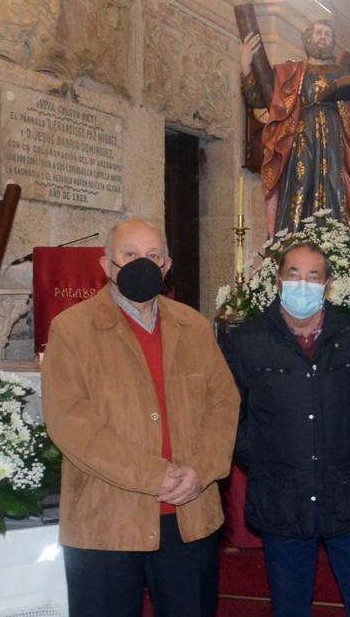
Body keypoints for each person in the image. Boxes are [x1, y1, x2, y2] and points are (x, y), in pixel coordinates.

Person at [41, 219, 240, 616]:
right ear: (106, 265)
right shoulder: (71, 330)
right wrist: (152, 476)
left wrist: (199, 471)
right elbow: (71, 423)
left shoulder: (194, 327)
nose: (142, 265)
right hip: (106, 522)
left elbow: (224, 406)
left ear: (166, 265)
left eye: (152, 256)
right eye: (130, 255)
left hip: (189, 515)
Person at [223, 242, 350, 616]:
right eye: (293, 274)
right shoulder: (246, 341)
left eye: (313, 276)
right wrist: (266, 459)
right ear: (279, 280)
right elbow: (232, 416)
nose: (302, 284)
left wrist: (335, 446)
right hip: (283, 497)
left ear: (327, 284)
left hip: (346, 492)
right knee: (290, 605)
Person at [240, 20, 350, 234]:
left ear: (332, 42)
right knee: (299, 184)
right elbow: (260, 99)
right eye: (318, 33)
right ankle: (292, 240)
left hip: (332, 138)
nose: (323, 37)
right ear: (308, 39)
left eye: (328, 34)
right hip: (300, 137)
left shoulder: (342, 73)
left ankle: (333, 241)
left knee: (334, 185)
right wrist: (245, 65)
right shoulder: (291, 71)